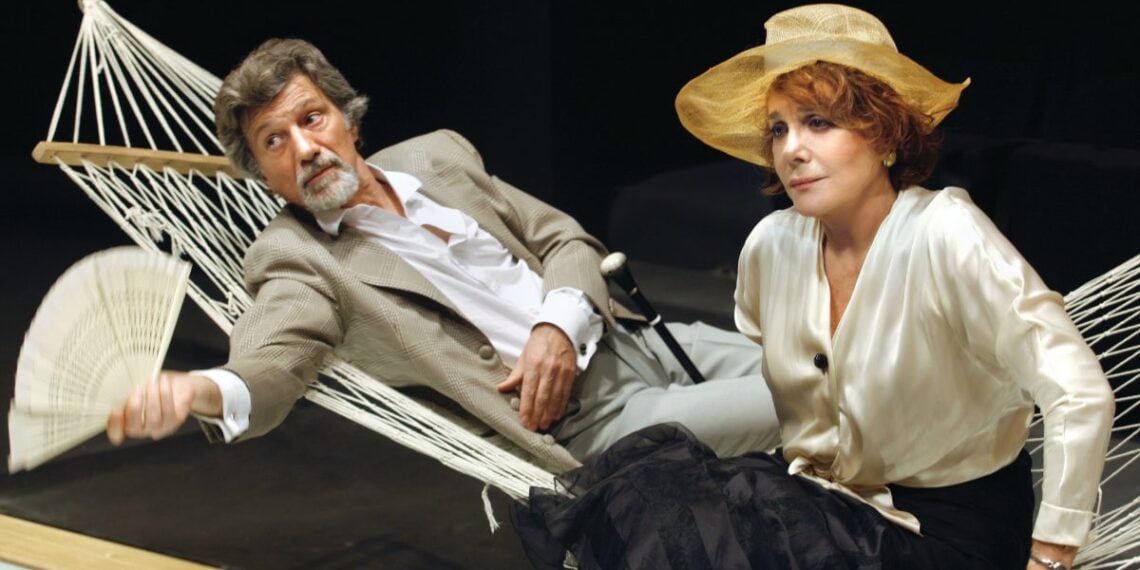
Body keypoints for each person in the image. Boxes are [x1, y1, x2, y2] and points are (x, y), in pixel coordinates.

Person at [511, 4, 1115, 569]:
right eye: (779, 129)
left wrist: (1051, 552)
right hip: (819, 500)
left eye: (818, 122)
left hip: (943, 528)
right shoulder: (773, 246)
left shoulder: (947, 234)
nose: (792, 149)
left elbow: (1080, 392)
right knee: (647, 495)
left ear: (884, 135)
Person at [103, 38, 781, 472]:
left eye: (311, 119)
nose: (305, 148)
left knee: (832, 357)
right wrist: (198, 391)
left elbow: (563, 239)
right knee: (822, 400)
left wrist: (558, 324)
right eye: (274, 142)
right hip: (587, 423)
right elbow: (274, 361)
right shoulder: (296, 259)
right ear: (263, 174)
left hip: (638, 338)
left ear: (349, 120)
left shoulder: (437, 156)